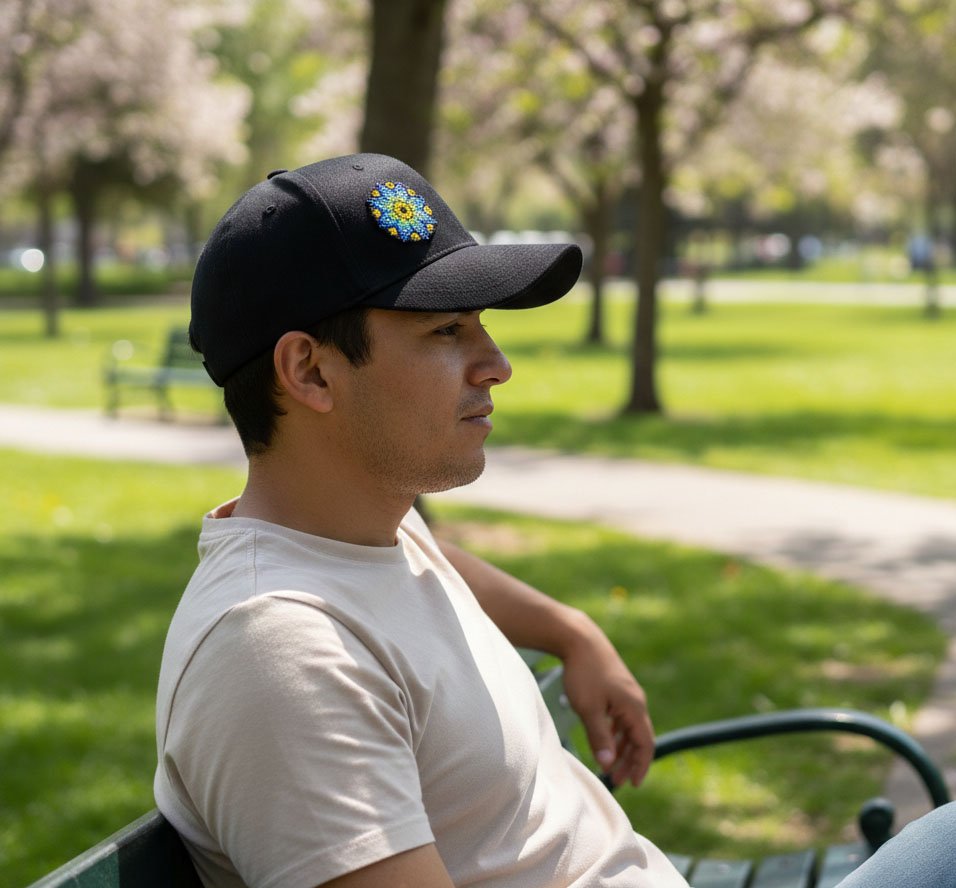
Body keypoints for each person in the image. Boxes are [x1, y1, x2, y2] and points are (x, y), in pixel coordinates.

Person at [155, 153, 956, 888]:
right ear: (310, 371)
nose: (497, 364)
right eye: (446, 330)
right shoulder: (278, 657)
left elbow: (425, 567)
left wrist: (571, 632)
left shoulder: (360, 537)